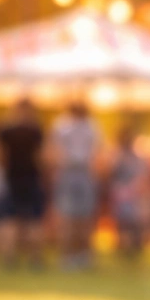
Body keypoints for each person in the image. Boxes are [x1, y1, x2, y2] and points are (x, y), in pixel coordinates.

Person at [48, 102, 100, 270]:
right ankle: (72, 255)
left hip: (80, 172)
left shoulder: (85, 126)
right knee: (69, 217)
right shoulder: (64, 125)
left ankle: (80, 255)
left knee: (81, 216)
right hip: (71, 172)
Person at [0, 99, 46, 267]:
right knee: (33, 220)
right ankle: (35, 258)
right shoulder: (35, 131)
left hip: (12, 178)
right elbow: (40, 158)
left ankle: (9, 257)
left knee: (9, 219)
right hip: (30, 178)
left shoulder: (6, 131)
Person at [107, 127, 150, 258]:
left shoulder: (135, 157)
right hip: (120, 192)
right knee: (122, 222)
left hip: (133, 192)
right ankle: (123, 246)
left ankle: (135, 247)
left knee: (134, 221)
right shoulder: (117, 156)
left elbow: (142, 174)